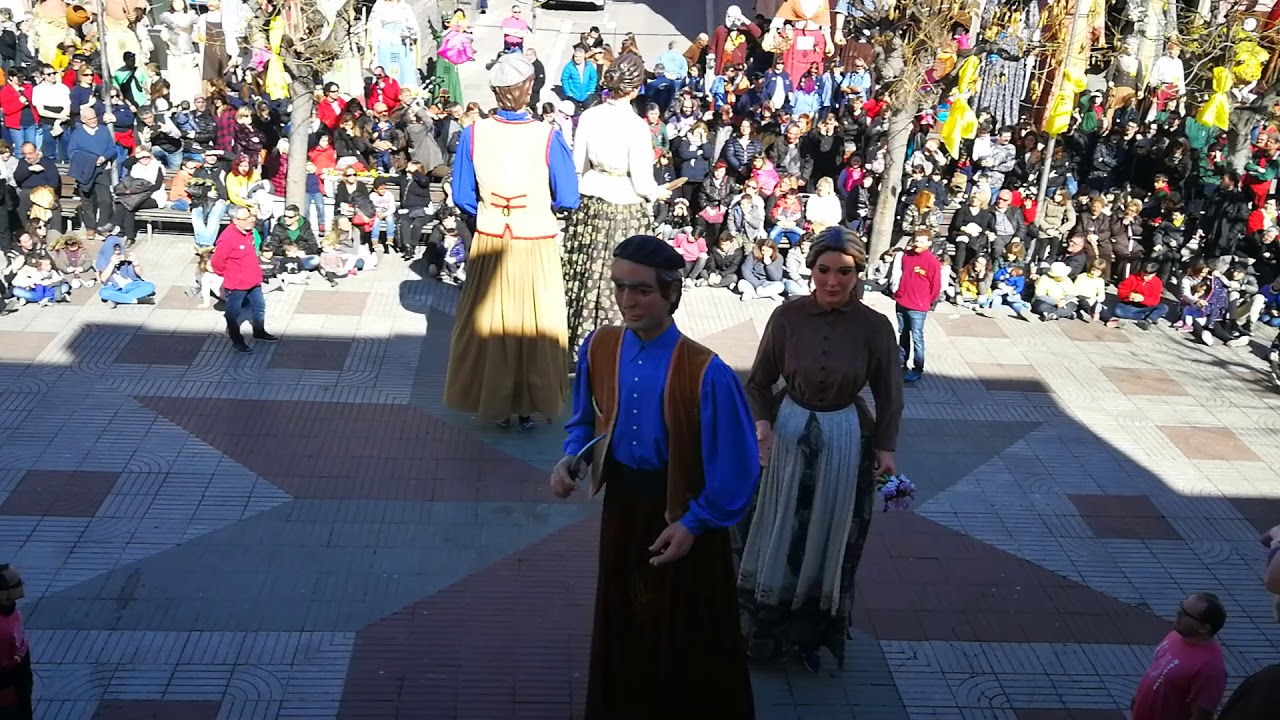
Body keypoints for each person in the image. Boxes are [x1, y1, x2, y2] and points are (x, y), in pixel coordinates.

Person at [551, 234, 759, 720]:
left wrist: (694, 523)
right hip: (623, 506)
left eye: (641, 290)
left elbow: (739, 466)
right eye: (620, 288)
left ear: (671, 293)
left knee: (686, 633)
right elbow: (585, 420)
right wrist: (570, 460)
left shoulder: (707, 371)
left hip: (685, 514)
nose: (627, 301)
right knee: (624, 621)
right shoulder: (599, 346)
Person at [738, 227, 903, 673]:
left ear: (858, 273)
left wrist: (886, 449)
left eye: (844, 272)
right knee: (779, 528)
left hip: (846, 441)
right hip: (788, 435)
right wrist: (763, 423)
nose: (833, 281)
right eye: (824, 270)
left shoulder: (876, 326)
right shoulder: (786, 317)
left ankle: (810, 633)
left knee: (826, 535)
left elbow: (890, 393)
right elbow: (757, 383)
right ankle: (766, 630)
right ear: (811, 270)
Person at [446, 52, 579, 431]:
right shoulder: (548, 136)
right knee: (537, 326)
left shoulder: (474, 133)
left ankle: (497, 403)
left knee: (490, 325)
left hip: (490, 241)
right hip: (534, 240)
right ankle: (528, 405)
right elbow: (568, 196)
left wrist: (491, 210)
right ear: (527, 88)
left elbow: (463, 195)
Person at [563, 53, 671, 360]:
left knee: (583, 274)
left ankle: (578, 343)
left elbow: (577, 166)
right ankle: (617, 348)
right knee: (624, 281)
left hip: (591, 202)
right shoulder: (636, 126)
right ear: (636, 88)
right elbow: (642, 180)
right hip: (624, 207)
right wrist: (658, 192)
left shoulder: (589, 116)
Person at [1130, 593, 1228, 720]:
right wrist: (1138, 698)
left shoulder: (1210, 668)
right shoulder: (1176, 635)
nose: (1178, 613)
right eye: (1181, 607)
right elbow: (1157, 670)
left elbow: (1201, 716)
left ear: (1204, 628)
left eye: (1186, 614)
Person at [211, 206, 278, 353]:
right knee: (233, 313)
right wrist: (229, 275)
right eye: (246, 218)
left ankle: (259, 331)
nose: (250, 220)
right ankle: (237, 340)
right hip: (237, 285)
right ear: (235, 221)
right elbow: (217, 262)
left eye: (250, 217)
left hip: (254, 280)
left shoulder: (249, 233)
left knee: (259, 307)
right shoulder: (227, 239)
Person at [890, 229, 941, 383]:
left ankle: (917, 368)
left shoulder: (932, 262)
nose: (918, 244)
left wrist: (926, 301)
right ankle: (902, 362)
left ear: (929, 243)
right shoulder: (907, 255)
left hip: (918, 306)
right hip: (902, 301)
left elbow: (936, 286)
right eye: (916, 240)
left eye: (922, 241)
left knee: (917, 337)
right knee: (903, 333)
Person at [0, 564, 31, 719]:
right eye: (17, 584)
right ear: (3, 595)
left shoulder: (10, 607)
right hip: (9, 690)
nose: (22, 585)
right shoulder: (1, 630)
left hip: (21, 672)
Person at [1107, 261, 1168, 330]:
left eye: (1148, 276)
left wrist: (1143, 299)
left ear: (1154, 274)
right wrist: (1128, 296)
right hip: (1130, 305)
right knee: (1117, 311)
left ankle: (1148, 320)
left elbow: (1155, 301)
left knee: (1164, 307)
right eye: (1143, 274)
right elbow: (1121, 291)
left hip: (1146, 306)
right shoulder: (1132, 277)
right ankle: (1150, 316)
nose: (1145, 278)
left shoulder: (1157, 282)